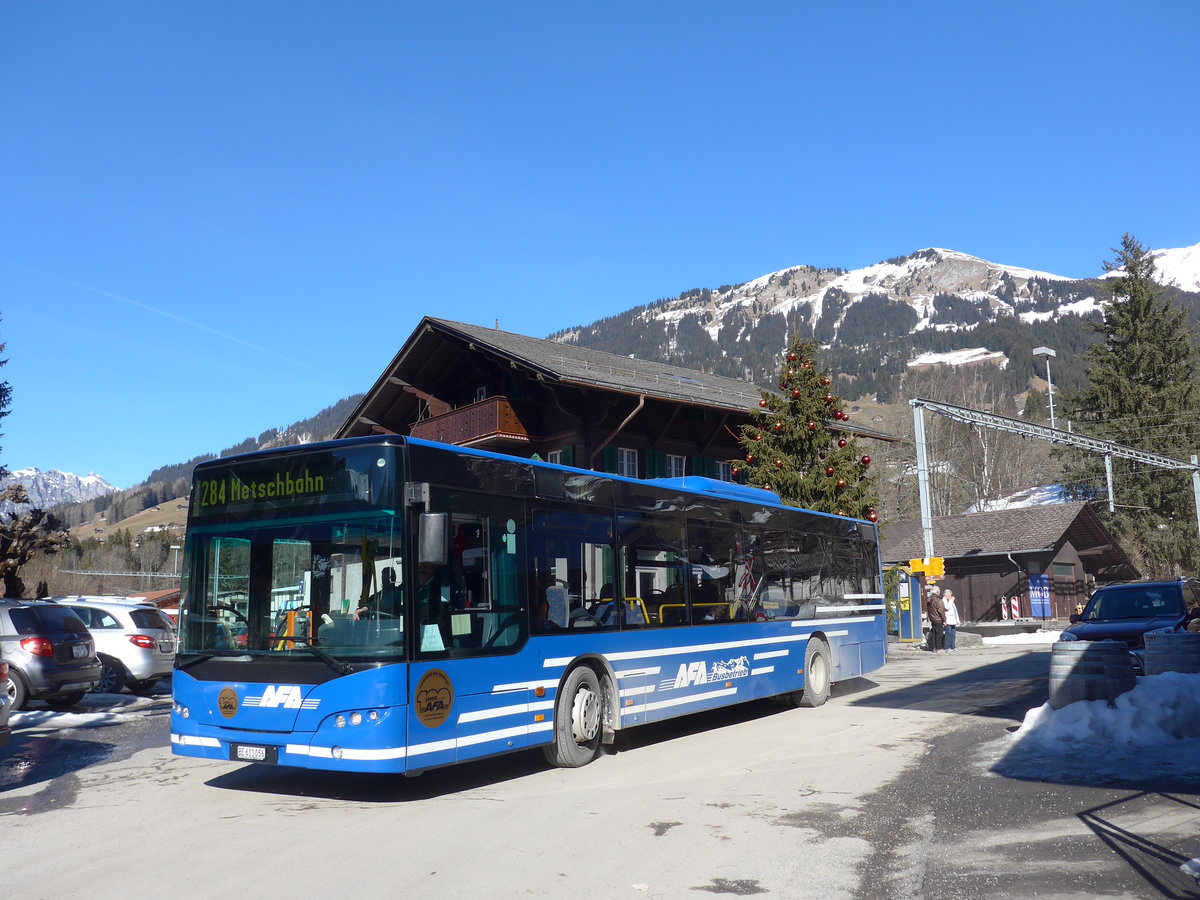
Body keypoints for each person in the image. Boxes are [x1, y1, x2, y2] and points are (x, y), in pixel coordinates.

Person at [925, 583, 946, 653]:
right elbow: (941, 611)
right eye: (939, 590)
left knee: (934, 634)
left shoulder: (929, 600)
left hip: (932, 619)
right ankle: (939, 648)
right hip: (938, 619)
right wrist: (944, 620)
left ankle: (934, 648)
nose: (940, 591)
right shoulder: (938, 600)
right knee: (939, 634)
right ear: (937, 592)